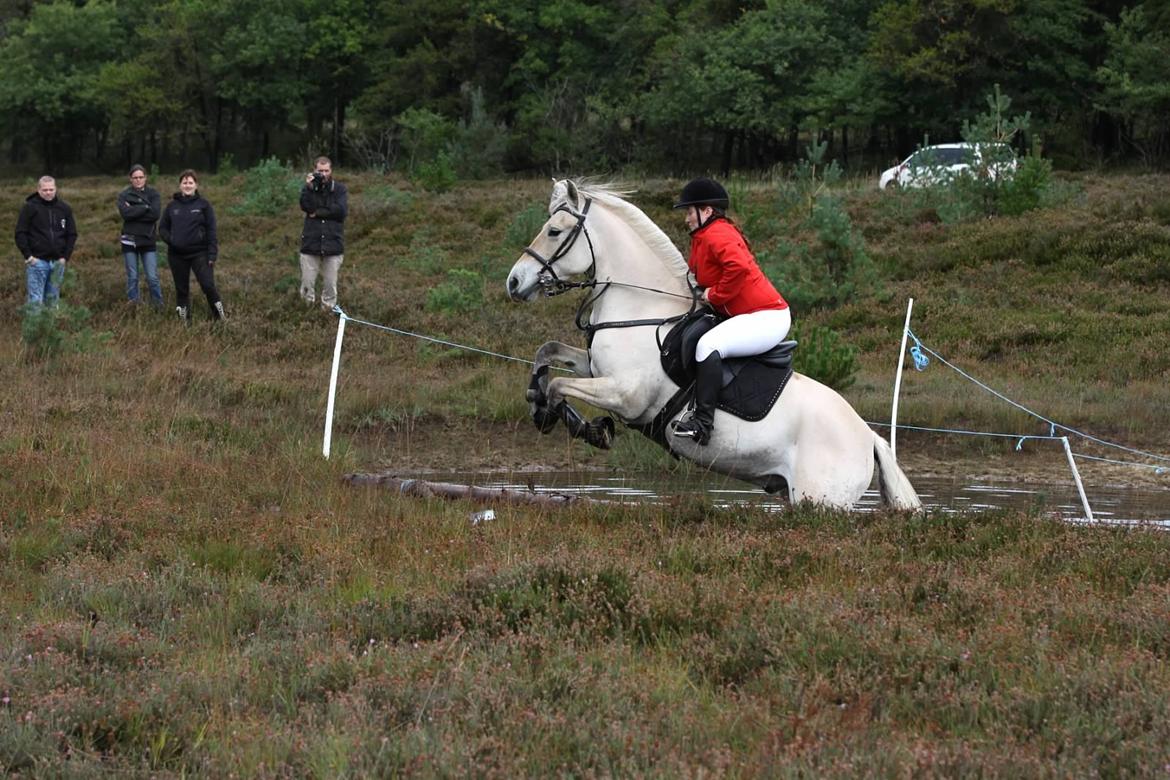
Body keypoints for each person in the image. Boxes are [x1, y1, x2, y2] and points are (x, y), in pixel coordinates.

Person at [669, 177, 791, 446]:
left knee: (708, 346)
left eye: (690, 212)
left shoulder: (717, 233)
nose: (686, 218)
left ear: (707, 211)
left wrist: (715, 295)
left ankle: (702, 424)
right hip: (749, 314)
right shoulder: (703, 237)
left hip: (767, 317)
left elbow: (738, 269)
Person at [159, 169, 224, 324]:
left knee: (208, 285)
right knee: (182, 290)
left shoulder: (204, 205)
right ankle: (184, 322)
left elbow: (212, 230)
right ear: (180, 185)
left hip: (200, 254)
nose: (187, 185)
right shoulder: (171, 206)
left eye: (190, 182)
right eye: (184, 182)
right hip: (176, 255)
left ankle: (220, 317)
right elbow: (162, 228)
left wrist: (212, 254)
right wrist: (172, 240)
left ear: (196, 185)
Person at [14, 176, 78, 313]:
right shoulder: (29, 208)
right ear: (38, 190)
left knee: (53, 300)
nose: (48, 193)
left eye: (51, 189)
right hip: (37, 262)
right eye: (45, 190)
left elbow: (72, 234)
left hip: (57, 262)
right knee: (35, 301)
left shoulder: (64, 208)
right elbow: (20, 233)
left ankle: (50, 331)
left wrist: (65, 257)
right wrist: (29, 257)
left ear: (55, 189)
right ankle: (34, 333)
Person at [298, 155, 348, 311]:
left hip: (333, 244)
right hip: (311, 243)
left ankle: (327, 314)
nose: (324, 174)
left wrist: (318, 212)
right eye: (320, 171)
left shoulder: (339, 189)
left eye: (326, 171)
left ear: (331, 170)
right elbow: (306, 206)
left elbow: (341, 211)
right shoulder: (309, 188)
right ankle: (306, 313)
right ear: (315, 170)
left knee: (330, 286)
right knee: (307, 284)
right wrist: (309, 188)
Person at [116, 164, 164, 307]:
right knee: (133, 277)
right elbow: (125, 214)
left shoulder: (153, 194)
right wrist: (145, 207)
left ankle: (158, 305)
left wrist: (134, 210)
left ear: (145, 178)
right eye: (135, 178)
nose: (138, 180)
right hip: (129, 240)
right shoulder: (123, 195)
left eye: (140, 177)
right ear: (130, 179)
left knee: (152, 277)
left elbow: (155, 214)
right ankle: (134, 305)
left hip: (148, 240)